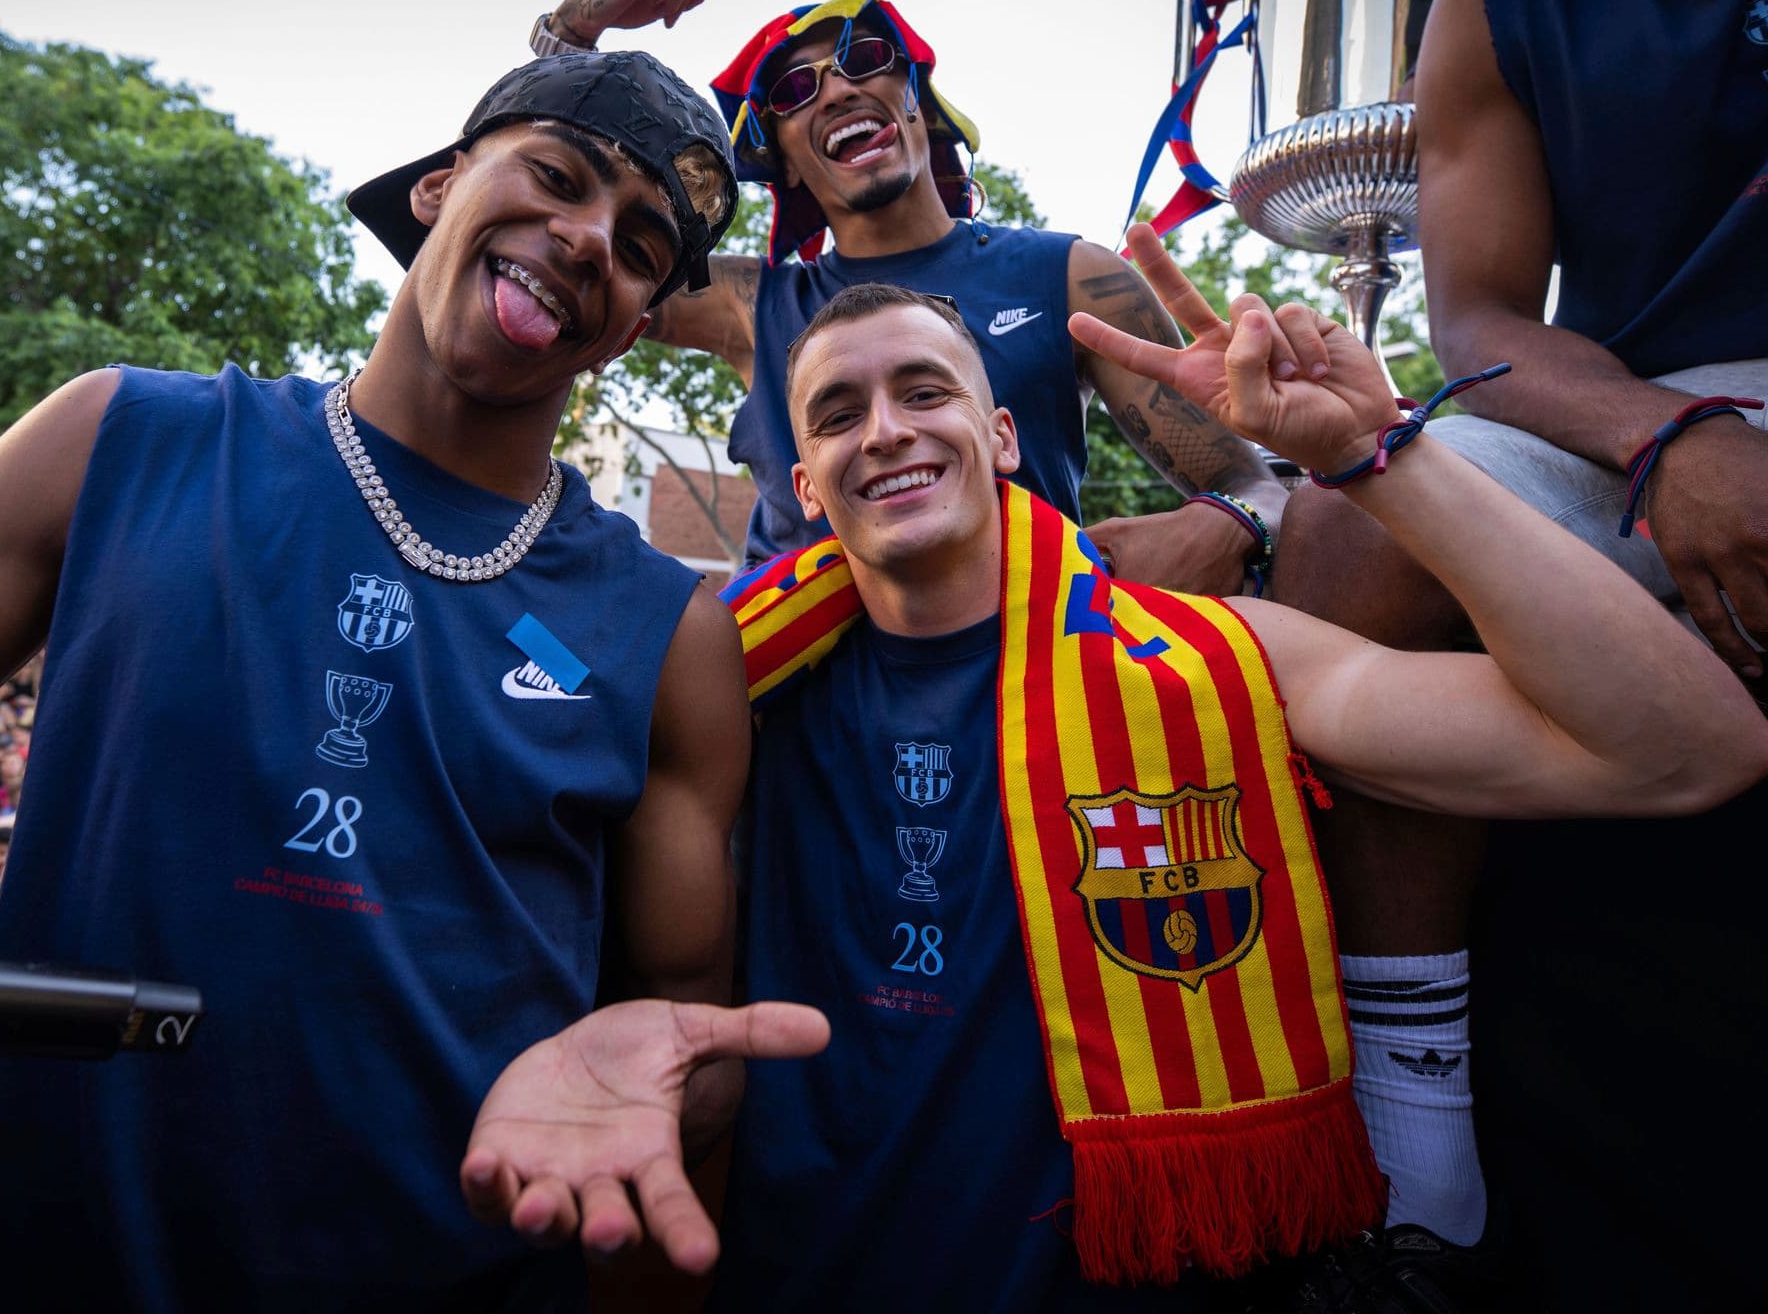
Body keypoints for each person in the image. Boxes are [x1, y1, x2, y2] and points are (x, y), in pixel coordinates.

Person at [0, 49, 824, 1309]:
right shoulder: (119, 439)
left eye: (636, 248)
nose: (583, 241)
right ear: (440, 186)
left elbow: (687, 1015)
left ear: (632, 326)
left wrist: (669, 1086)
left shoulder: (667, 629)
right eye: (555, 177)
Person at [461, 240, 1768, 1307]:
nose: (888, 431)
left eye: (926, 392)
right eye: (839, 413)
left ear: (1006, 435)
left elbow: (1677, 751)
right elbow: (490, 656)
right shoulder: (721, 682)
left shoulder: (1219, 662)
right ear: (803, 483)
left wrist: (1378, 458)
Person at [1260, 0, 1768, 1300]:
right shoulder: (1504, 0)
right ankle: (1410, 1132)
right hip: (1645, 398)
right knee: (1360, 512)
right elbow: (1478, 322)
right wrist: (1665, 434)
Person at [533, 0, 1289, 596]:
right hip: (787, 701)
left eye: (864, 60)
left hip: (1020, 697)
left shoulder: (1074, 279)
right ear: (785, 159)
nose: (833, 91)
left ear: (918, 106)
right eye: (794, 93)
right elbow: (544, 245)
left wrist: (1229, 524)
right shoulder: (749, 302)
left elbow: (1252, 485)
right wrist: (566, 41)